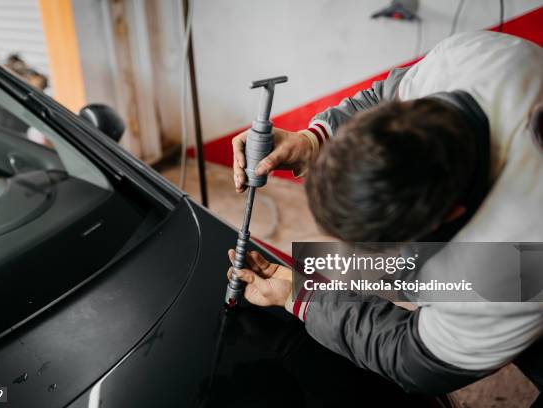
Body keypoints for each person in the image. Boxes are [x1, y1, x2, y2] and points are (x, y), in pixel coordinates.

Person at [228, 31, 543, 395]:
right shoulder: (470, 59)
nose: (357, 250)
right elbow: (385, 98)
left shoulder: (509, 268)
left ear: (450, 214)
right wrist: (313, 141)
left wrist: (302, 297)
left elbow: (414, 358)